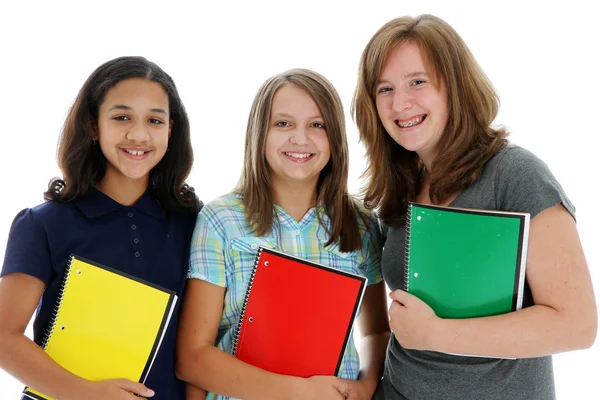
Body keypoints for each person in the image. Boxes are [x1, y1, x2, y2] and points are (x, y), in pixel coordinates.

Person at [351, 14, 597, 400]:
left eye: (417, 82)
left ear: (455, 85)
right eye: (384, 89)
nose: (400, 103)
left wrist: (437, 334)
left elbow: (578, 326)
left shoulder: (516, 175)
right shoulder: (401, 185)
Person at [176, 68, 390, 400]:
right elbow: (193, 359)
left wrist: (365, 386)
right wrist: (299, 391)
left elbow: (376, 330)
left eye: (317, 125)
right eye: (283, 124)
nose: (300, 139)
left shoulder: (360, 224)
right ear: (259, 134)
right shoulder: (221, 220)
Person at [0, 56, 203, 400]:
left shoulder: (196, 223)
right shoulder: (43, 224)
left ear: (170, 130)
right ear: (94, 126)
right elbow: (3, 335)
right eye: (121, 117)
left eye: (154, 120)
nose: (138, 134)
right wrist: (86, 393)